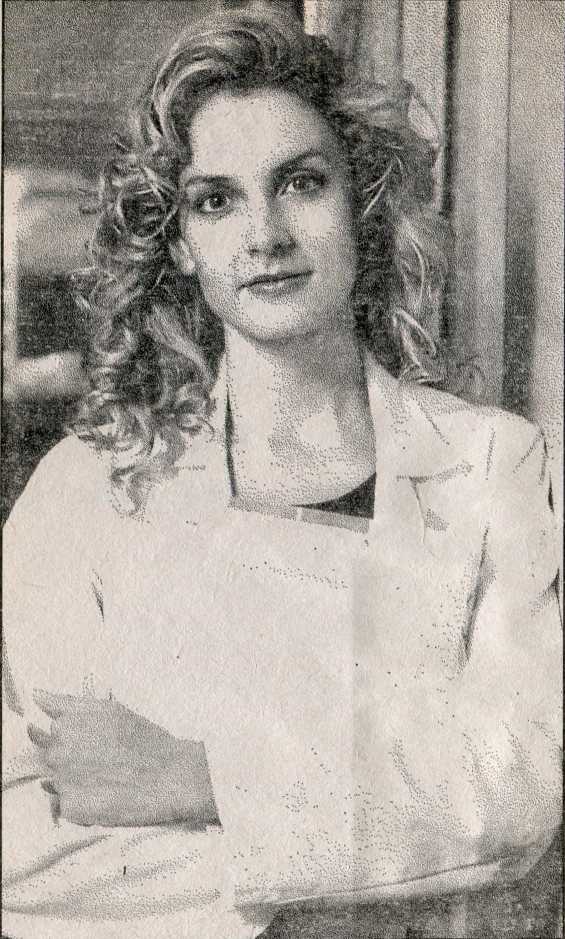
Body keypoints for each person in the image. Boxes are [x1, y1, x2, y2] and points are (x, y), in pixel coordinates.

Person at [3, 6, 561, 939]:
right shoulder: (90, 490)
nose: (264, 234)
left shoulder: (491, 464)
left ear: (361, 205)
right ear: (178, 242)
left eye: (300, 183)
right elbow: (25, 835)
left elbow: (518, 781)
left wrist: (204, 778)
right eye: (214, 200)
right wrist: (335, 907)